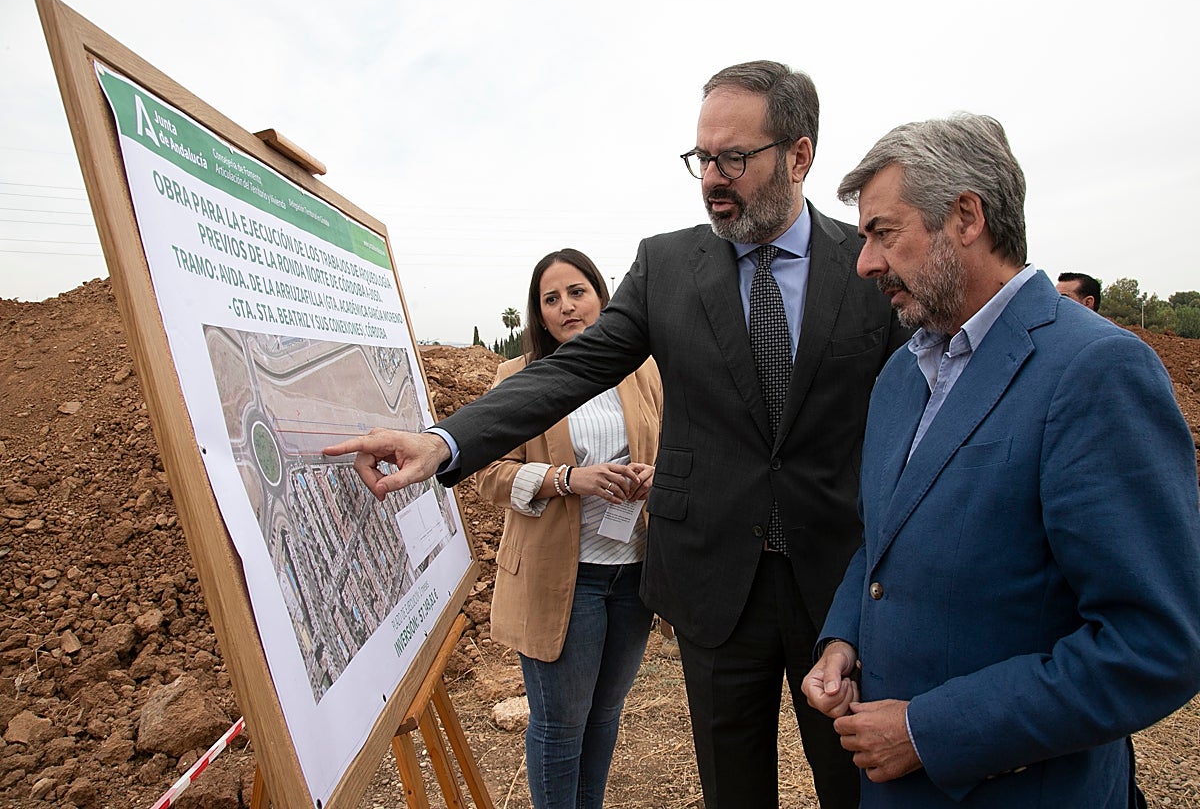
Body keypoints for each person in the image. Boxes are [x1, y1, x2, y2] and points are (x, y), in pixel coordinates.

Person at [326, 60, 908, 809]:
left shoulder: (864, 264)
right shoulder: (667, 266)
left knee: (853, 788)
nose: (711, 179)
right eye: (702, 159)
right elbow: (568, 373)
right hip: (713, 589)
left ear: (798, 156)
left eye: (734, 157)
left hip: (839, 591)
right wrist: (444, 442)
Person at [802, 113, 1200, 807]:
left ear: (965, 216)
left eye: (882, 232)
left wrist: (930, 731)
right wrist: (843, 638)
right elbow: (883, 544)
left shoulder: (1095, 371)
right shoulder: (901, 376)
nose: (864, 262)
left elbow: (1158, 642)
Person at [473, 248, 662, 809]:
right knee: (560, 726)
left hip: (631, 574)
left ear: (601, 297)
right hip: (563, 579)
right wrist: (567, 478)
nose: (566, 307)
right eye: (550, 298)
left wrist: (657, 473)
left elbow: (677, 443)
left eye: (576, 292)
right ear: (538, 313)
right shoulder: (519, 377)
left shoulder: (641, 370)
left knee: (604, 716)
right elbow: (488, 475)